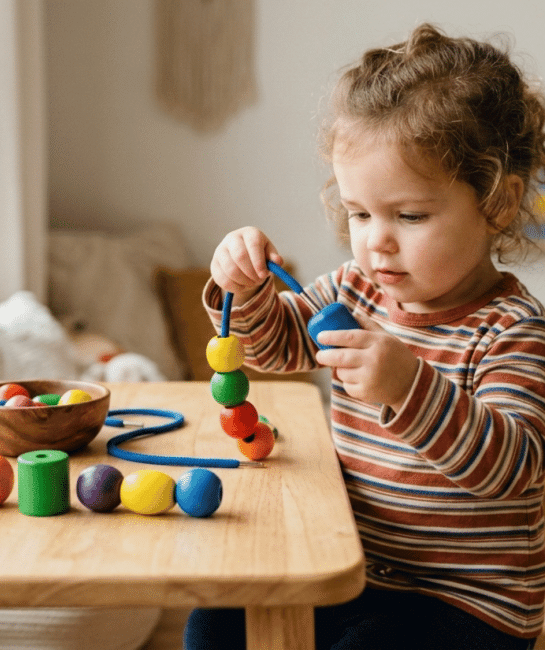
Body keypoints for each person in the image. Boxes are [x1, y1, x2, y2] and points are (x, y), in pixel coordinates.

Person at [185, 23, 545, 650]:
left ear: (498, 204)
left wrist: (409, 386)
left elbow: (511, 470)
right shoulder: (355, 291)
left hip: (466, 605)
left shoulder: (511, 332)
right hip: (358, 572)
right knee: (217, 621)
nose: (377, 240)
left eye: (410, 216)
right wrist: (243, 290)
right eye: (360, 214)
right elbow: (278, 346)